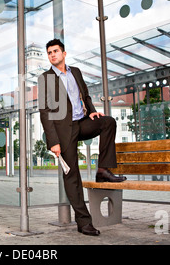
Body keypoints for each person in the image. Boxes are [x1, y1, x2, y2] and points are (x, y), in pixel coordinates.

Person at [38, 38, 126, 236]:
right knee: (72, 175)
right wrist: (53, 141)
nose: (52, 55)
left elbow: (85, 95)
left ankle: (103, 170)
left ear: (64, 53)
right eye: (49, 52)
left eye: (55, 51)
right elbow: (44, 112)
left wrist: (92, 111)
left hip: (82, 122)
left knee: (108, 122)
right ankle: (83, 222)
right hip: (63, 131)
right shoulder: (46, 78)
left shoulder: (75, 71)